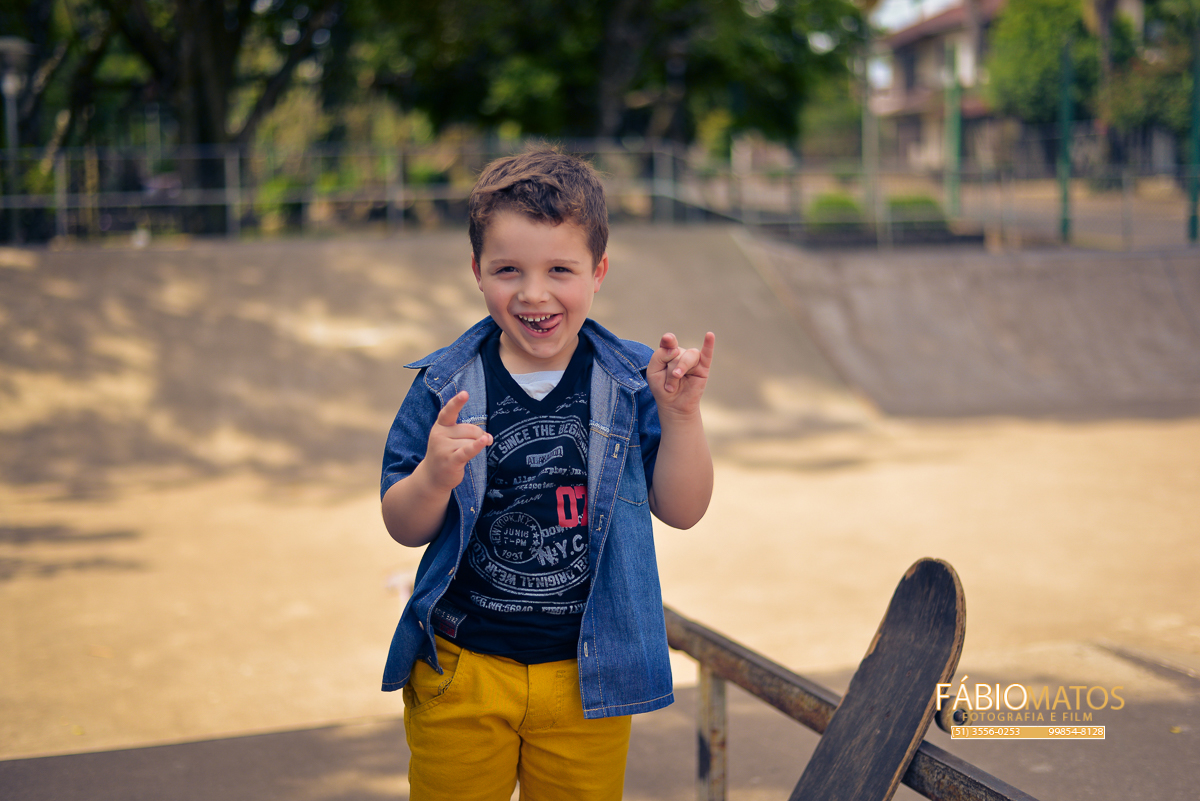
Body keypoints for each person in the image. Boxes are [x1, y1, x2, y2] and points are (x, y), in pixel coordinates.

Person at [378, 147, 716, 801]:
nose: (534, 294)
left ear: (599, 272)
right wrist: (432, 477)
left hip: (588, 676)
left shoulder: (633, 382)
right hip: (463, 667)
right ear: (477, 271)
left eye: (560, 269)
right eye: (509, 270)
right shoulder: (447, 385)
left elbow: (683, 508)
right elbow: (402, 524)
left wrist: (681, 419)